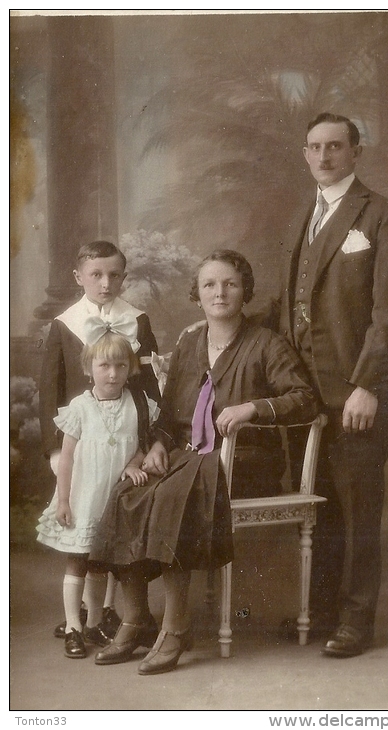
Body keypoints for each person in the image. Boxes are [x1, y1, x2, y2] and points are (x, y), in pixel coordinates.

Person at [89, 249, 317, 674]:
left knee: (176, 492)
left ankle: (177, 628)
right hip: (192, 460)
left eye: (230, 283)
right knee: (128, 491)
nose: (220, 292)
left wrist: (253, 407)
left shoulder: (267, 343)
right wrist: (156, 444)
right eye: (210, 284)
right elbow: (173, 413)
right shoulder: (190, 341)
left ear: (245, 290)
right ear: (197, 293)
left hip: (247, 464)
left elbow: (304, 400)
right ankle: (137, 620)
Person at [275, 112, 388, 657]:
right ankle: (324, 610)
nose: (324, 156)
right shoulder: (304, 217)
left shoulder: (386, 216)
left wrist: (368, 384)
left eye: (335, 146)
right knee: (323, 506)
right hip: (306, 394)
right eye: (314, 147)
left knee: (358, 509)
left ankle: (357, 621)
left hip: (357, 392)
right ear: (305, 153)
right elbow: (291, 305)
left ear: (356, 152)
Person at [38, 240, 161, 640]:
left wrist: (145, 445)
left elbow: (151, 388)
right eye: (96, 274)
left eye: (113, 275)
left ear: (123, 277)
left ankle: (102, 612)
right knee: (86, 530)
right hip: (79, 442)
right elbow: (50, 389)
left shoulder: (137, 320)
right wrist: (55, 448)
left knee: (112, 530)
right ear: (79, 277)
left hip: (124, 442)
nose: (105, 283)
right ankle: (82, 618)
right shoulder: (65, 323)